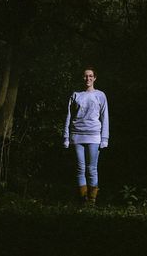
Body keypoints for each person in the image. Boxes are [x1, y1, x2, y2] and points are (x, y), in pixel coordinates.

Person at [63, 67, 109, 206]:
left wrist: (104, 138)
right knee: (80, 168)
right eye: (85, 76)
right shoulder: (76, 95)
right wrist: (66, 137)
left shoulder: (100, 95)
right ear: (82, 78)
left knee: (92, 168)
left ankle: (92, 201)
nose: (88, 78)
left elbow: (104, 117)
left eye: (90, 76)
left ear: (95, 78)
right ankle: (83, 200)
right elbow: (69, 117)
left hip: (94, 136)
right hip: (77, 136)